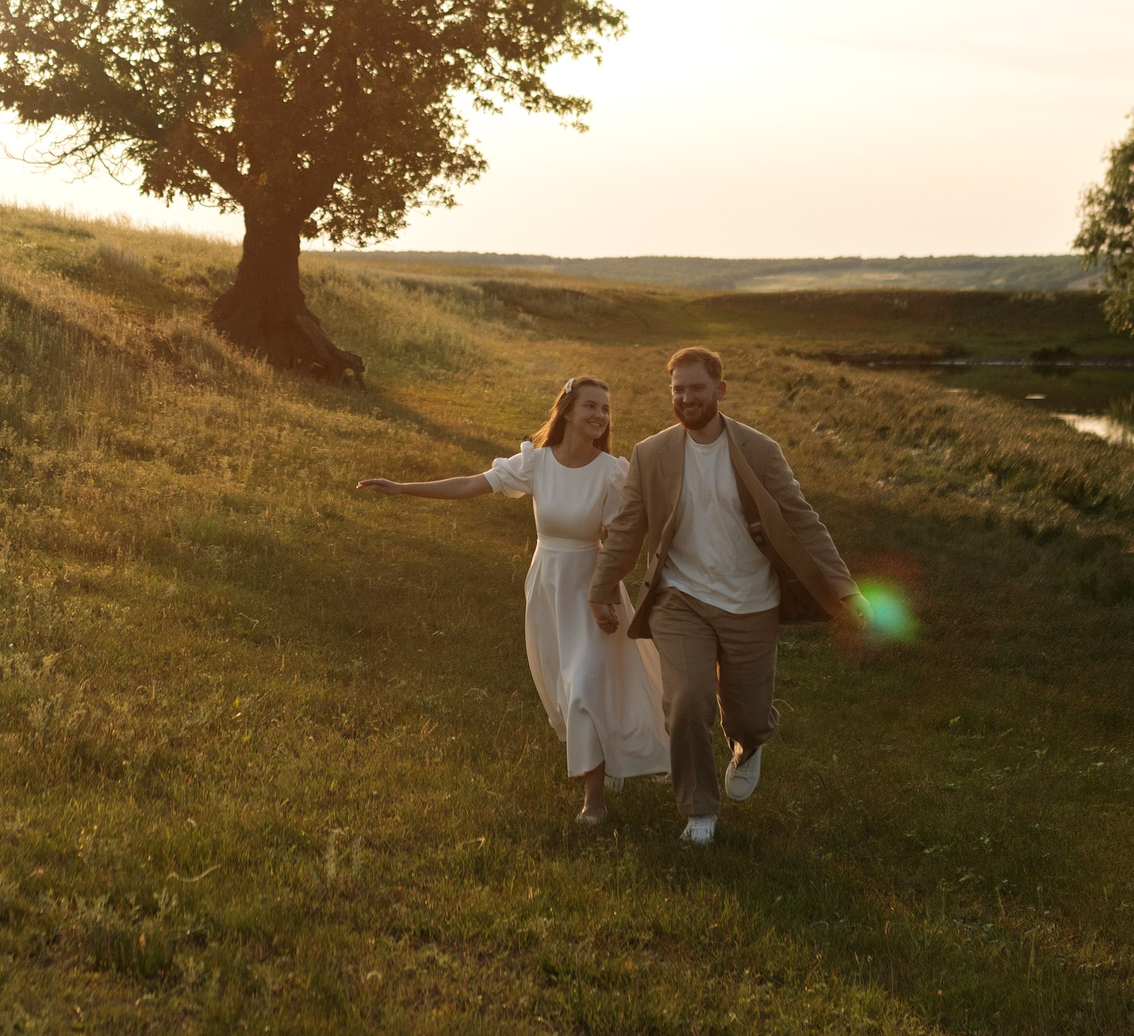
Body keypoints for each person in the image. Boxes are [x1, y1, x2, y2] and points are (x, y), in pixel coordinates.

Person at [356, 377, 670, 822]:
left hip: (592, 587)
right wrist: (405, 487)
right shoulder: (536, 463)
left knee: (585, 686)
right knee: (568, 687)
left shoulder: (610, 472)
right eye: (591, 406)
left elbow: (623, 538)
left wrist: (604, 593)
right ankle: (607, 757)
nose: (600, 416)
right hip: (547, 586)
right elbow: (472, 484)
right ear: (567, 411)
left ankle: (594, 800)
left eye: (605, 409)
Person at [591, 346, 863, 846]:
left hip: (751, 601)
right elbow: (628, 528)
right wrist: (601, 588)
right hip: (680, 597)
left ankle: (749, 743)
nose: (686, 398)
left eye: (696, 388)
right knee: (687, 701)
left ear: (719, 389)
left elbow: (802, 519)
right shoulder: (651, 454)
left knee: (748, 716)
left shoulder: (760, 450)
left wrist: (845, 589)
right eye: (678, 389)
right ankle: (699, 811)